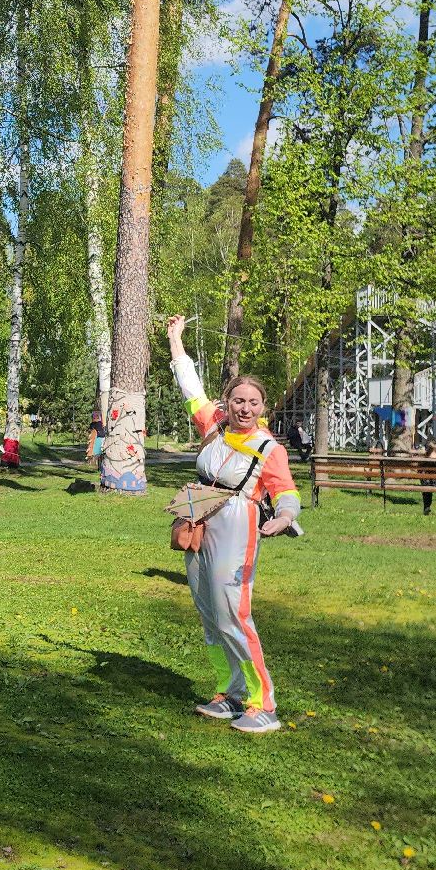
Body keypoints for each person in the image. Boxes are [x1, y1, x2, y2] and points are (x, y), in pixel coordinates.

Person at [165, 315, 300, 735]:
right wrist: (175, 340)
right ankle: (229, 691)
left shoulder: (268, 447)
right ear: (229, 402)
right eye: (238, 401)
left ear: (263, 407)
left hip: (238, 526)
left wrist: (284, 516)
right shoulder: (214, 427)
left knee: (232, 612)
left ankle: (263, 703)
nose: (244, 408)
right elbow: (190, 386)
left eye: (253, 403)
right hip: (201, 519)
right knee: (208, 611)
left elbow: (286, 491)